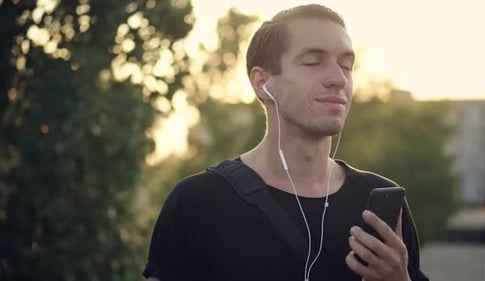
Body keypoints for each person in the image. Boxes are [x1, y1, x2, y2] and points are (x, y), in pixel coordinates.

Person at [143, 4, 429, 281]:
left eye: (347, 65)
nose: (338, 78)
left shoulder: (380, 203)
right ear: (262, 83)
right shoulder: (197, 201)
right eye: (314, 62)